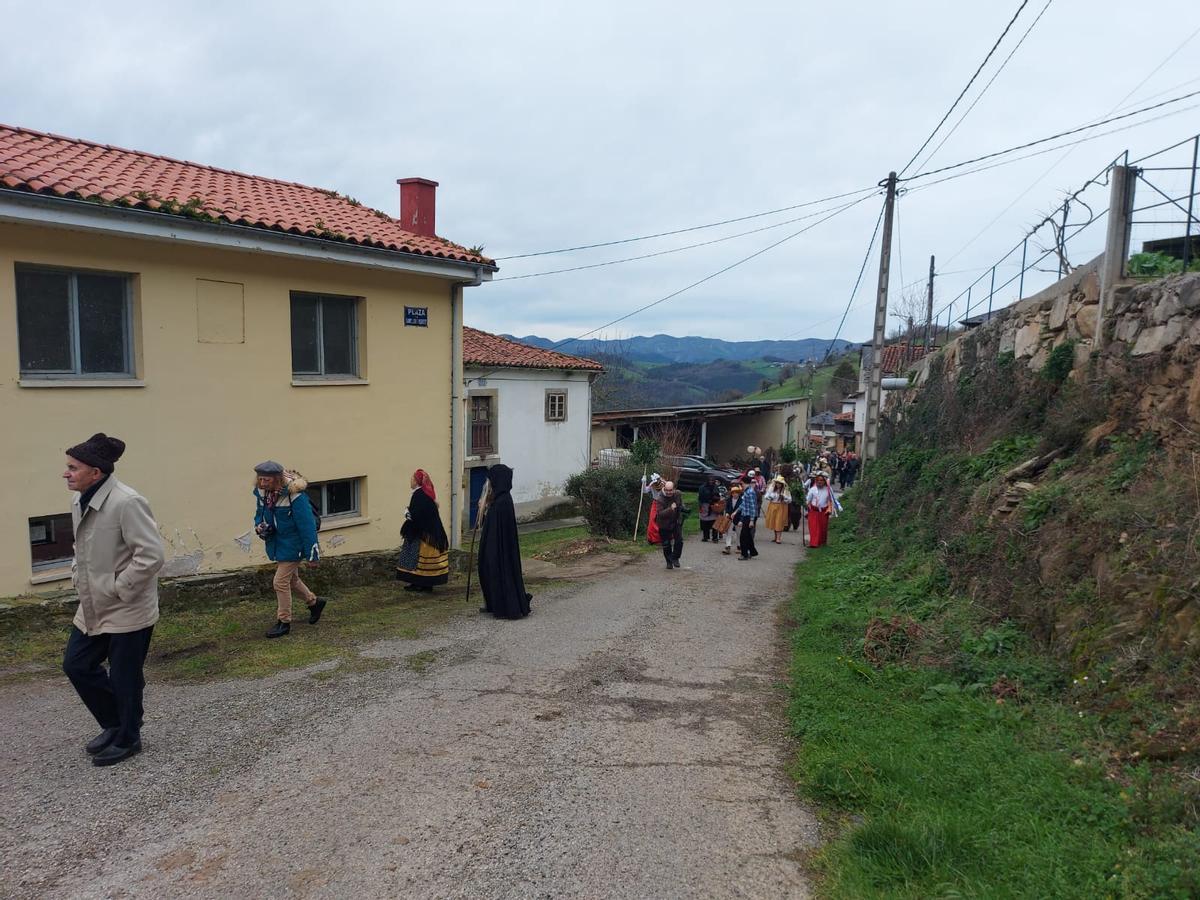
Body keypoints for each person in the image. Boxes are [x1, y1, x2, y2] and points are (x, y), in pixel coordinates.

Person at [61, 433, 165, 767]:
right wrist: (78, 573)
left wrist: (119, 588)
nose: (66, 474)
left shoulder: (126, 501)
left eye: (73, 468)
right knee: (76, 664)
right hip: (92, 604)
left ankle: (129, 737)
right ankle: (115, 722)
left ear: (96, 472)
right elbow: (81, 548)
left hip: (128, 606)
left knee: (125, 677)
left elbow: (150, 556)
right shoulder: (80, 501)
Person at [253, 461, 324, 639]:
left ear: (277, 479)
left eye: (266, 480)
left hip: (294, 545)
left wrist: (313, 555)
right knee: (291, 580)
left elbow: (307, 527)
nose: (262, 483)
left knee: (279, 582)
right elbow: (259, 515)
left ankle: (284, 622)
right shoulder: (263, 494)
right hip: (277, 543)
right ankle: (314, 603)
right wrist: (259, 527)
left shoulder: (296, 496)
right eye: (260, 479)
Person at [478, 464, 532, 619]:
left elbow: (497, 530)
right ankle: (495, 604)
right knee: (490, 573)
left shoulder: (503, 502)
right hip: (496, 548)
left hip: (500, 550)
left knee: (500, 574)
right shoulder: (500, 500)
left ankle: (506, 607)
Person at [396, 469, 450, 593]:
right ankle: (419, 583)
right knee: (417, 559)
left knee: (420, 559)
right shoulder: (424, 494)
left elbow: (418, 515)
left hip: (425, 534)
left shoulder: (420, 495)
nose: (411, 480)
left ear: (417, 481)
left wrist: (407, 513)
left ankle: (423, 584)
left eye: (412, 478)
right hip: (427, 531)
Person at [654, 480, 687, 569]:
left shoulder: (678, 494)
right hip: (664, 524)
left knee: (679, 540)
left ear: (674, 489)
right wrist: (670, 509)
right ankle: (669, 561)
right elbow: (660, 514)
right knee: (666, 543)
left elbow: (680, 503)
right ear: (664, 489)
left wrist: (683, 508)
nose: (669, 492)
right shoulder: (660, 499)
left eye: (671, 490)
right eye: (667, 490)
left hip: (676, 521)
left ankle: (675, 558)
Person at [806, 471, 838, 548]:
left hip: (823, 512)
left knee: (822, 529)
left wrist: (830, 508)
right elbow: (808, 500)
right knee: (813, 528)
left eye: (821, 480)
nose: (819, 482)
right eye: (818, 480)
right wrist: (807, 505)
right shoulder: (813, 489)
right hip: (814, 511)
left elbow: (831, 500)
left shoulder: (828, 490)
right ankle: (813, 544)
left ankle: (821, 543)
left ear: (824, 481)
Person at [763, 475, 792, 544]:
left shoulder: (785, 490)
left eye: (779, 483)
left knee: (779, 521)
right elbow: (766, 496)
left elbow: (789, 500)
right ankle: (776, 537)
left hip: (781, 507)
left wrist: (784, 497)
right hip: (773, 506)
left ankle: (778, 538)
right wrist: (771, 497)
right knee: (774, 521)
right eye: (777, 483)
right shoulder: (772, 489)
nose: (778, 484)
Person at [737, 474, 759, 560]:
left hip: (750, 516)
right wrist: (736, 511)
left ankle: (744, 554)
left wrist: (752, 520)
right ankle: (753, 552)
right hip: (746, 515)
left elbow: (753, 507)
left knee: (743, 536)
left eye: (741, 483)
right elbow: (744, 504)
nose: (740, 485)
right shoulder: (746, 491)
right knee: (748, 536)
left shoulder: (750, 492)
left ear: (744, 483)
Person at [641, 473, 664, 545]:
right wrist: (644, 482)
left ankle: (662, 538)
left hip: (663, 504)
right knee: (652, 520)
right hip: (655, 503)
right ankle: (652, 539)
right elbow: (644, 491)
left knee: (662, 521)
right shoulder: (652, 485)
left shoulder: (664, 485)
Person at [721, 483, 743, 555]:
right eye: (733, 493)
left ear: (739, 493)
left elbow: (743, 511)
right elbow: (727, 508)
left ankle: (739, 546)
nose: (735, 494)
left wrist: (741, 520)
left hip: (738, 519)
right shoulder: (729, 500)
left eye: (736, 493)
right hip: (730, 519)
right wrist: (727, 513)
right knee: (729, 532)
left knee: (739, 533)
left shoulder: (742, 501)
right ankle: (728, 546)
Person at [697, 476, 720, 542]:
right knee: (704, 522)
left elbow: (718, 497)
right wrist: (700, 506)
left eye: (712, 480)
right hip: (705, 505)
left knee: (715, 522)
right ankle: (705, 536)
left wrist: (715, 500)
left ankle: (715, 537)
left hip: (713, 506)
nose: (711, 482)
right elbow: (700, 498)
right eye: (710, 480)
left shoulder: (715, 487)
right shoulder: (702, 488)